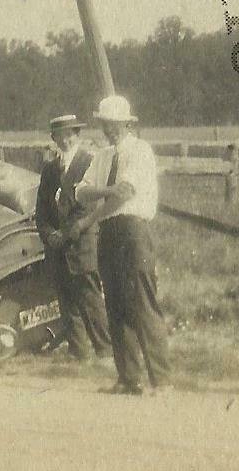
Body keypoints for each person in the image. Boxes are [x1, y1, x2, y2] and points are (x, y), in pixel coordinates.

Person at [72, 95, 171, 396]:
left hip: (134, 231)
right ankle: (129, 378)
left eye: (116, 125)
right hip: (110, 232)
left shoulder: (140, 151)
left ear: (128, 124)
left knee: (142, 303)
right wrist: (104, 191)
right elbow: (80, 192)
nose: (110, 130)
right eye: (106, 124)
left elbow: (123, 194)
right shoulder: (101, 156)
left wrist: (88, 218)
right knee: (115, 304)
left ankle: (162, 380)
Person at [35, 115, 111, 361]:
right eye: (60, 135)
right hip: (56, 249)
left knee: (90, 301)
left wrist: (64, 235)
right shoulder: (49, 170)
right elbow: (41, 211)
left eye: (70, 135)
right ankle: (80, 354)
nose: (66, 140)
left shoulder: (89, 163)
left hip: (81, 244)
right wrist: (49, 235)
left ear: (77, 136)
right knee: (67, 305)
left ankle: (105, 352)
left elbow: (88, 207)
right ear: (54, 139)